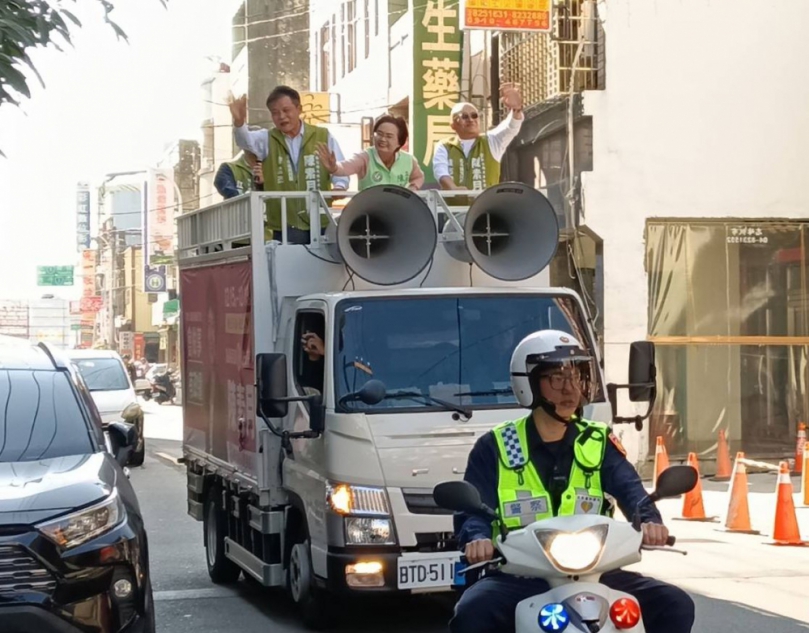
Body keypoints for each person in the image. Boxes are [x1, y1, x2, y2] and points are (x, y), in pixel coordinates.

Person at [450, 330, 695, 633]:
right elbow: (474, 509)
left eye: (577, 377)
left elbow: (630, 489)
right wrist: (477, 538)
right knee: (472, 613)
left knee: (674, 604)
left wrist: (649, 520)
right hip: (520, 574)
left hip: (595, 572)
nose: (570, 388)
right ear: (528, 383)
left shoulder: (597, 440)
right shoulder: (498, 445)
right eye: (557, 378)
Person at [229, 86, 350, 244]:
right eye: (275, 113)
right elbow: (245, 141)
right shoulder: (267, 138)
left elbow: (340, 168)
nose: (281, 116)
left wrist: (339, 187)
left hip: (320, 220)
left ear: (299, 109)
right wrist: (239, 123)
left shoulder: (322, 135)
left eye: (286, 110)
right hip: (284, 224)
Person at [433, 83, 524, 196]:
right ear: (452, 125)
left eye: (474, 115)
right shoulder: (445, 146)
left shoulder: (491, 141)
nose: (471, 119)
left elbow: (511, 127)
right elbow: (440, 171)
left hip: (486, 206)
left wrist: (516, 109)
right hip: (454, 207)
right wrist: (454, 189)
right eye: (464, 116)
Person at [316, 115, 424, 191]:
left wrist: (413, 188)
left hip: (398, 211)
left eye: (389, 136)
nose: (382, 139)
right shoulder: (365, 157)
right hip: (369, 212)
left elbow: (419, 177)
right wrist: (334, 167)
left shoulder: (409, 160)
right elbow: (346, 167)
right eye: (379, 134)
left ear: (399, 142)